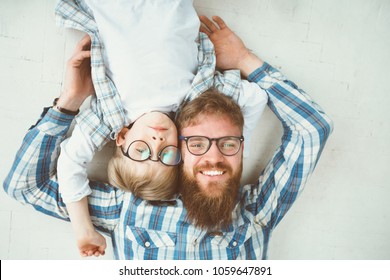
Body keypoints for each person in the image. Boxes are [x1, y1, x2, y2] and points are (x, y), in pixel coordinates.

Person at [3, 13, 333, 259]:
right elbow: (26, 187)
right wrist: (244, 60)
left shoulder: (257, 210)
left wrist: (69, 105)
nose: (214, 158)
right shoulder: (129, 206)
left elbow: (24, 186)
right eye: (206, 144)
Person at [55, 0, 267, 257]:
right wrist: (230, 147)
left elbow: (70, 164)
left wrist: (83, 229)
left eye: (142, 150)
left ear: (123, 137)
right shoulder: (196, 102)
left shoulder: (111, 116)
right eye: (167, 154)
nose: (157, 140)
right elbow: (256, 97)